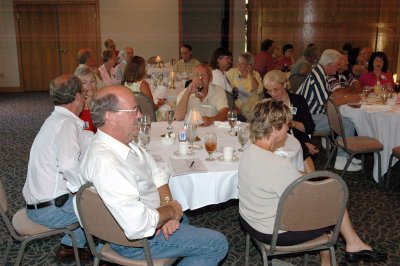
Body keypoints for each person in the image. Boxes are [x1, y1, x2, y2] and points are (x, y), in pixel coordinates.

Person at [80, 85, 228, 264]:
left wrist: (166, 208)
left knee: (182, 218)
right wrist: (170, 211)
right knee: (217, 244)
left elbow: (157, 173)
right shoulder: (107, 163)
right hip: (135, 242)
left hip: (149, 218)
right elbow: (137, 225)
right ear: (109, 116)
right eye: (133, 110)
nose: (140, 116)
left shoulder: (122, 143)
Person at [238, 99, 387, 265]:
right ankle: (351, 244)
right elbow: (306, 198)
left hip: (250, 220)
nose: (288, 128)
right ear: (274, 128)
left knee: (326, 193)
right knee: (334, 198)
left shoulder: (249, 151)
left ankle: (346, 247)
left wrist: (312, 177)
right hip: (273, 232)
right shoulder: (277, 164)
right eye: (286, 124)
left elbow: (288, 179)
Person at [22, 74, 92, 261]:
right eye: (84, 94)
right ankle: (108, 254)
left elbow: (83, 138)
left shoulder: (55, 120)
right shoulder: (65, 124)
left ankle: (70, 247)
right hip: (50, 211)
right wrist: (83, 194)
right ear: (78, 97)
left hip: (37, 204)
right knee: (103, 206)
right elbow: (69, 165)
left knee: (85, 195)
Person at [296, 49, 362, 171]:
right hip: (308, 118)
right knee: (347, 123)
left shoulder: (319, 73)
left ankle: (344, 154)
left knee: (343, 120)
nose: (338, 67)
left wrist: (347, 98)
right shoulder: (318, 77)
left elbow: (330, 98)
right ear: (329, 64)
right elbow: (328, 103)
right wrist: (350, 99)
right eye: (337, 64)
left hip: (309, 114)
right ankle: (341, 159)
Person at [263, 70, 317, 173]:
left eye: (276, 89)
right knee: (303, 150)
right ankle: (310, 182)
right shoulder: (268, 104)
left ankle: (309, 182)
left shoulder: (298, 100)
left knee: (302, 149)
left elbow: (310, 127)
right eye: (269, 91)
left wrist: (292, 123)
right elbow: (269, 132)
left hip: (300, 137)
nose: (273, 94)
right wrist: (303, 144)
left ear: (284, 84)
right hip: (278, 141)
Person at [225, 52, 263, 120]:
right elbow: (223, 82)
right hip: (237, 108)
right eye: (238, 62)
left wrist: (251, 75)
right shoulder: (233, 72)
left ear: (249, 65)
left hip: (252, 108)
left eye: (241, 63)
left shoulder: (255, 74)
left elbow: (259, 89)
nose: (238, 65)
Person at [75, 66, 97, 132]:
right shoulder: (75, 110)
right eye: (84, 83)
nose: (89, 86)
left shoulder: (103, 105)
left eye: (92, 81)